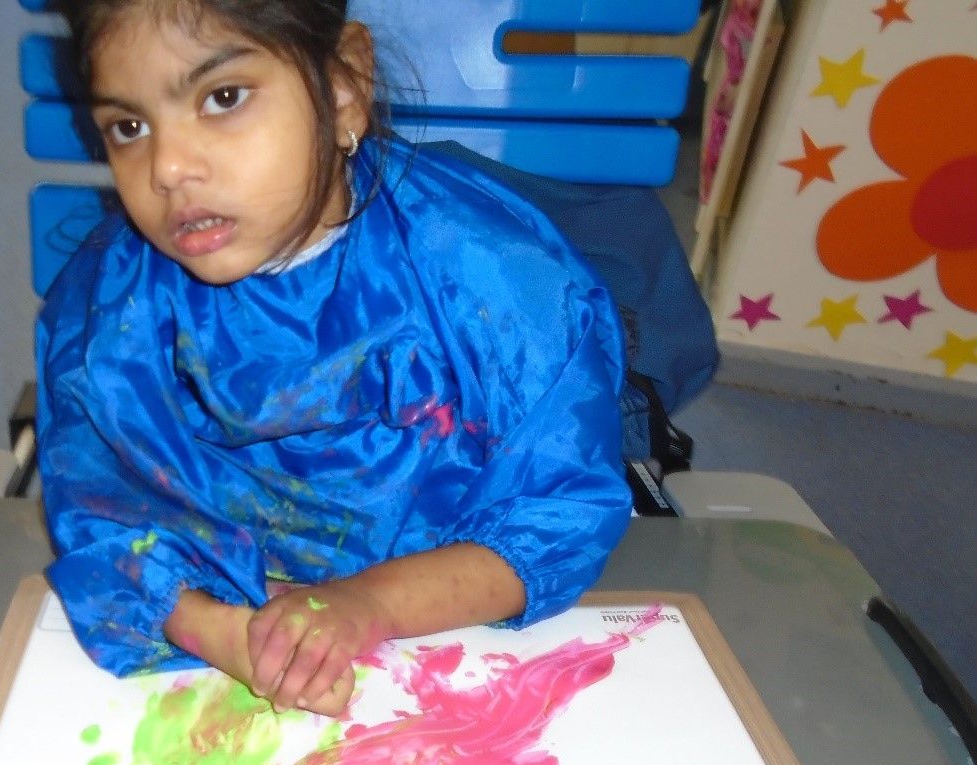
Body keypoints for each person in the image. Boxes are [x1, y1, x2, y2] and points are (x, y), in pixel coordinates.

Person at [36, 0, 632, 717]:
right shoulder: (110, 311)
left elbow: (560, 510)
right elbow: (102, 513)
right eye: (127, 127)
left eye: (222, 98)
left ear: (343, 86)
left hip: (455, 652)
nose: (167, 168)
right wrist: (219, 630)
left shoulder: (493, 278)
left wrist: (365, 605)